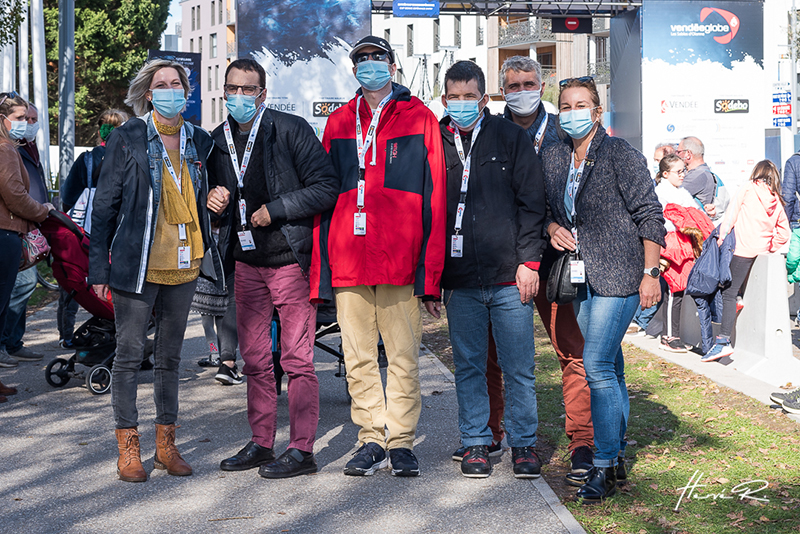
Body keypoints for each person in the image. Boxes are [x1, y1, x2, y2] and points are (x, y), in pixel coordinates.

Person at [310, 35, 446, 478]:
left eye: (377, 58)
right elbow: (323, 197)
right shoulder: (338, 122)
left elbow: (435, 196)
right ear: (353, 69)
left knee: (404, 356)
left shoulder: (420, 116)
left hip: (399, 258)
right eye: (362, 59)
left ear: (392, 64)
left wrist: (430, 272)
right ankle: (370, 438)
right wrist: (321, 273)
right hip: (349, 256)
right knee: (358, 357)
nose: (370, 65)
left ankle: (402, 440)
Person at [88, 59, 224, 483]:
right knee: (129, 357)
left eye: (176, 83)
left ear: (187, 90)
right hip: (136, 265)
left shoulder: (200, 140)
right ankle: (129, 448)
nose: (170, 90)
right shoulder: (127, 137)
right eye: (161, 85)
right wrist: (98, 267)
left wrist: (216, 199)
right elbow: (105, 207)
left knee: (169, 357)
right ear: (148, 93)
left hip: (184, 264)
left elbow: (210, 198)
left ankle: (166, 444)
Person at [208, 58, 338, 478]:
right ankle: (262, 443)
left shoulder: (291, 129)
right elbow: (213, 202)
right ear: (223, 92)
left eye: (249, 89)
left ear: (263, 93)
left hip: (289, 263)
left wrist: (277, 210)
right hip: (247, 264)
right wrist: (213, 204)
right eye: (233, 89)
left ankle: (302, 450)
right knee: (256, 360)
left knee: (298, 361)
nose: (240, 97)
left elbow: (326, 187)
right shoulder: (216, 140)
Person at [542, 77, 665, 502]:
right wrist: (553, 226)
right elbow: (544, 208)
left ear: (597, 111)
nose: (573, 111)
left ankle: (603, 462)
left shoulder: (619, 154)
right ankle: (617, 459)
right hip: (579, 278)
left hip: (621, 275)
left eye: (582, 104)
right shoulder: (554, 155)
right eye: (566, 105)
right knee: (610, 366)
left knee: (594, 364)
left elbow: (650, 215)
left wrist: (652, 272)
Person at [432, 60, 545, 479]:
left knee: (519, 367)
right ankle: (476, 441)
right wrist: (431, 280)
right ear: (445, 100)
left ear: (484, 98)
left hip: (508, 276)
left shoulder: (510, 136)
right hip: (460, 280)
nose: (462, 105)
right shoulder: (434, 141)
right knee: (468, 365)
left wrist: (529, 263)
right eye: (454, 98)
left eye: (470, 97)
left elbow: (532, 204)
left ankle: (524, 445)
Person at [495, 55, 594, 485]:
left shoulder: (563, 129)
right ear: (503, 89)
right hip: (505, 262)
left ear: (542, 83)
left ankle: (583, 442)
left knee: (572, 352)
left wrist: (554, 224)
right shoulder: (486, 131)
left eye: (529, 82)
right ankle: (490, 434)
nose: (521, 90)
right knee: (494, 357)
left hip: (555, 262)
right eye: (513, 84)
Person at [702, 160, 790, 362]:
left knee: (728, 293)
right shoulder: (775, 198)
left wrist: (722, 238)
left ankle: (723, 341)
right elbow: (784, 232)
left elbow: (731, 215)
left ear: (756, 172)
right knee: (736, 291)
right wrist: (770, 246)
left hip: (741, 249)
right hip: (760, 251)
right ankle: (738, 303)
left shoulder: (748, 188)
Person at [59, 109, 129, 348]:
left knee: (75, 281)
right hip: (120, 231)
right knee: (119, 286)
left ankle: (67, 336)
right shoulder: (130, 155)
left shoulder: (87, 159)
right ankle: (118, 335)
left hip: (86, 231)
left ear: (100, 129)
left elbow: (68, 196)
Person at [0, 91, 54, 369]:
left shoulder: (18, 147)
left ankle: (10, 344)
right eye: (20, 118)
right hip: (8, 230)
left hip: (14, 228)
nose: (27, 123)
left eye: (30, 118)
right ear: (3, 119)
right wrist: (41, 210)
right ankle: (7, 344)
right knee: (14, 289)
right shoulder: (6, 148)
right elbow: (15, 193)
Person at [652, 154, 713, 352]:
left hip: (683, 246)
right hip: (672, 247)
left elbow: (695, 213)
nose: (683, 175)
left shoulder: (681, 192)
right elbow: (666, 221)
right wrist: (686, 219)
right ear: (665, 173)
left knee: (678, 291)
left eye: (683, 170)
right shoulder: (660, 193)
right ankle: (669, 336)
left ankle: (672, 334)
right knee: (673, 291)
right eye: (678, 172)